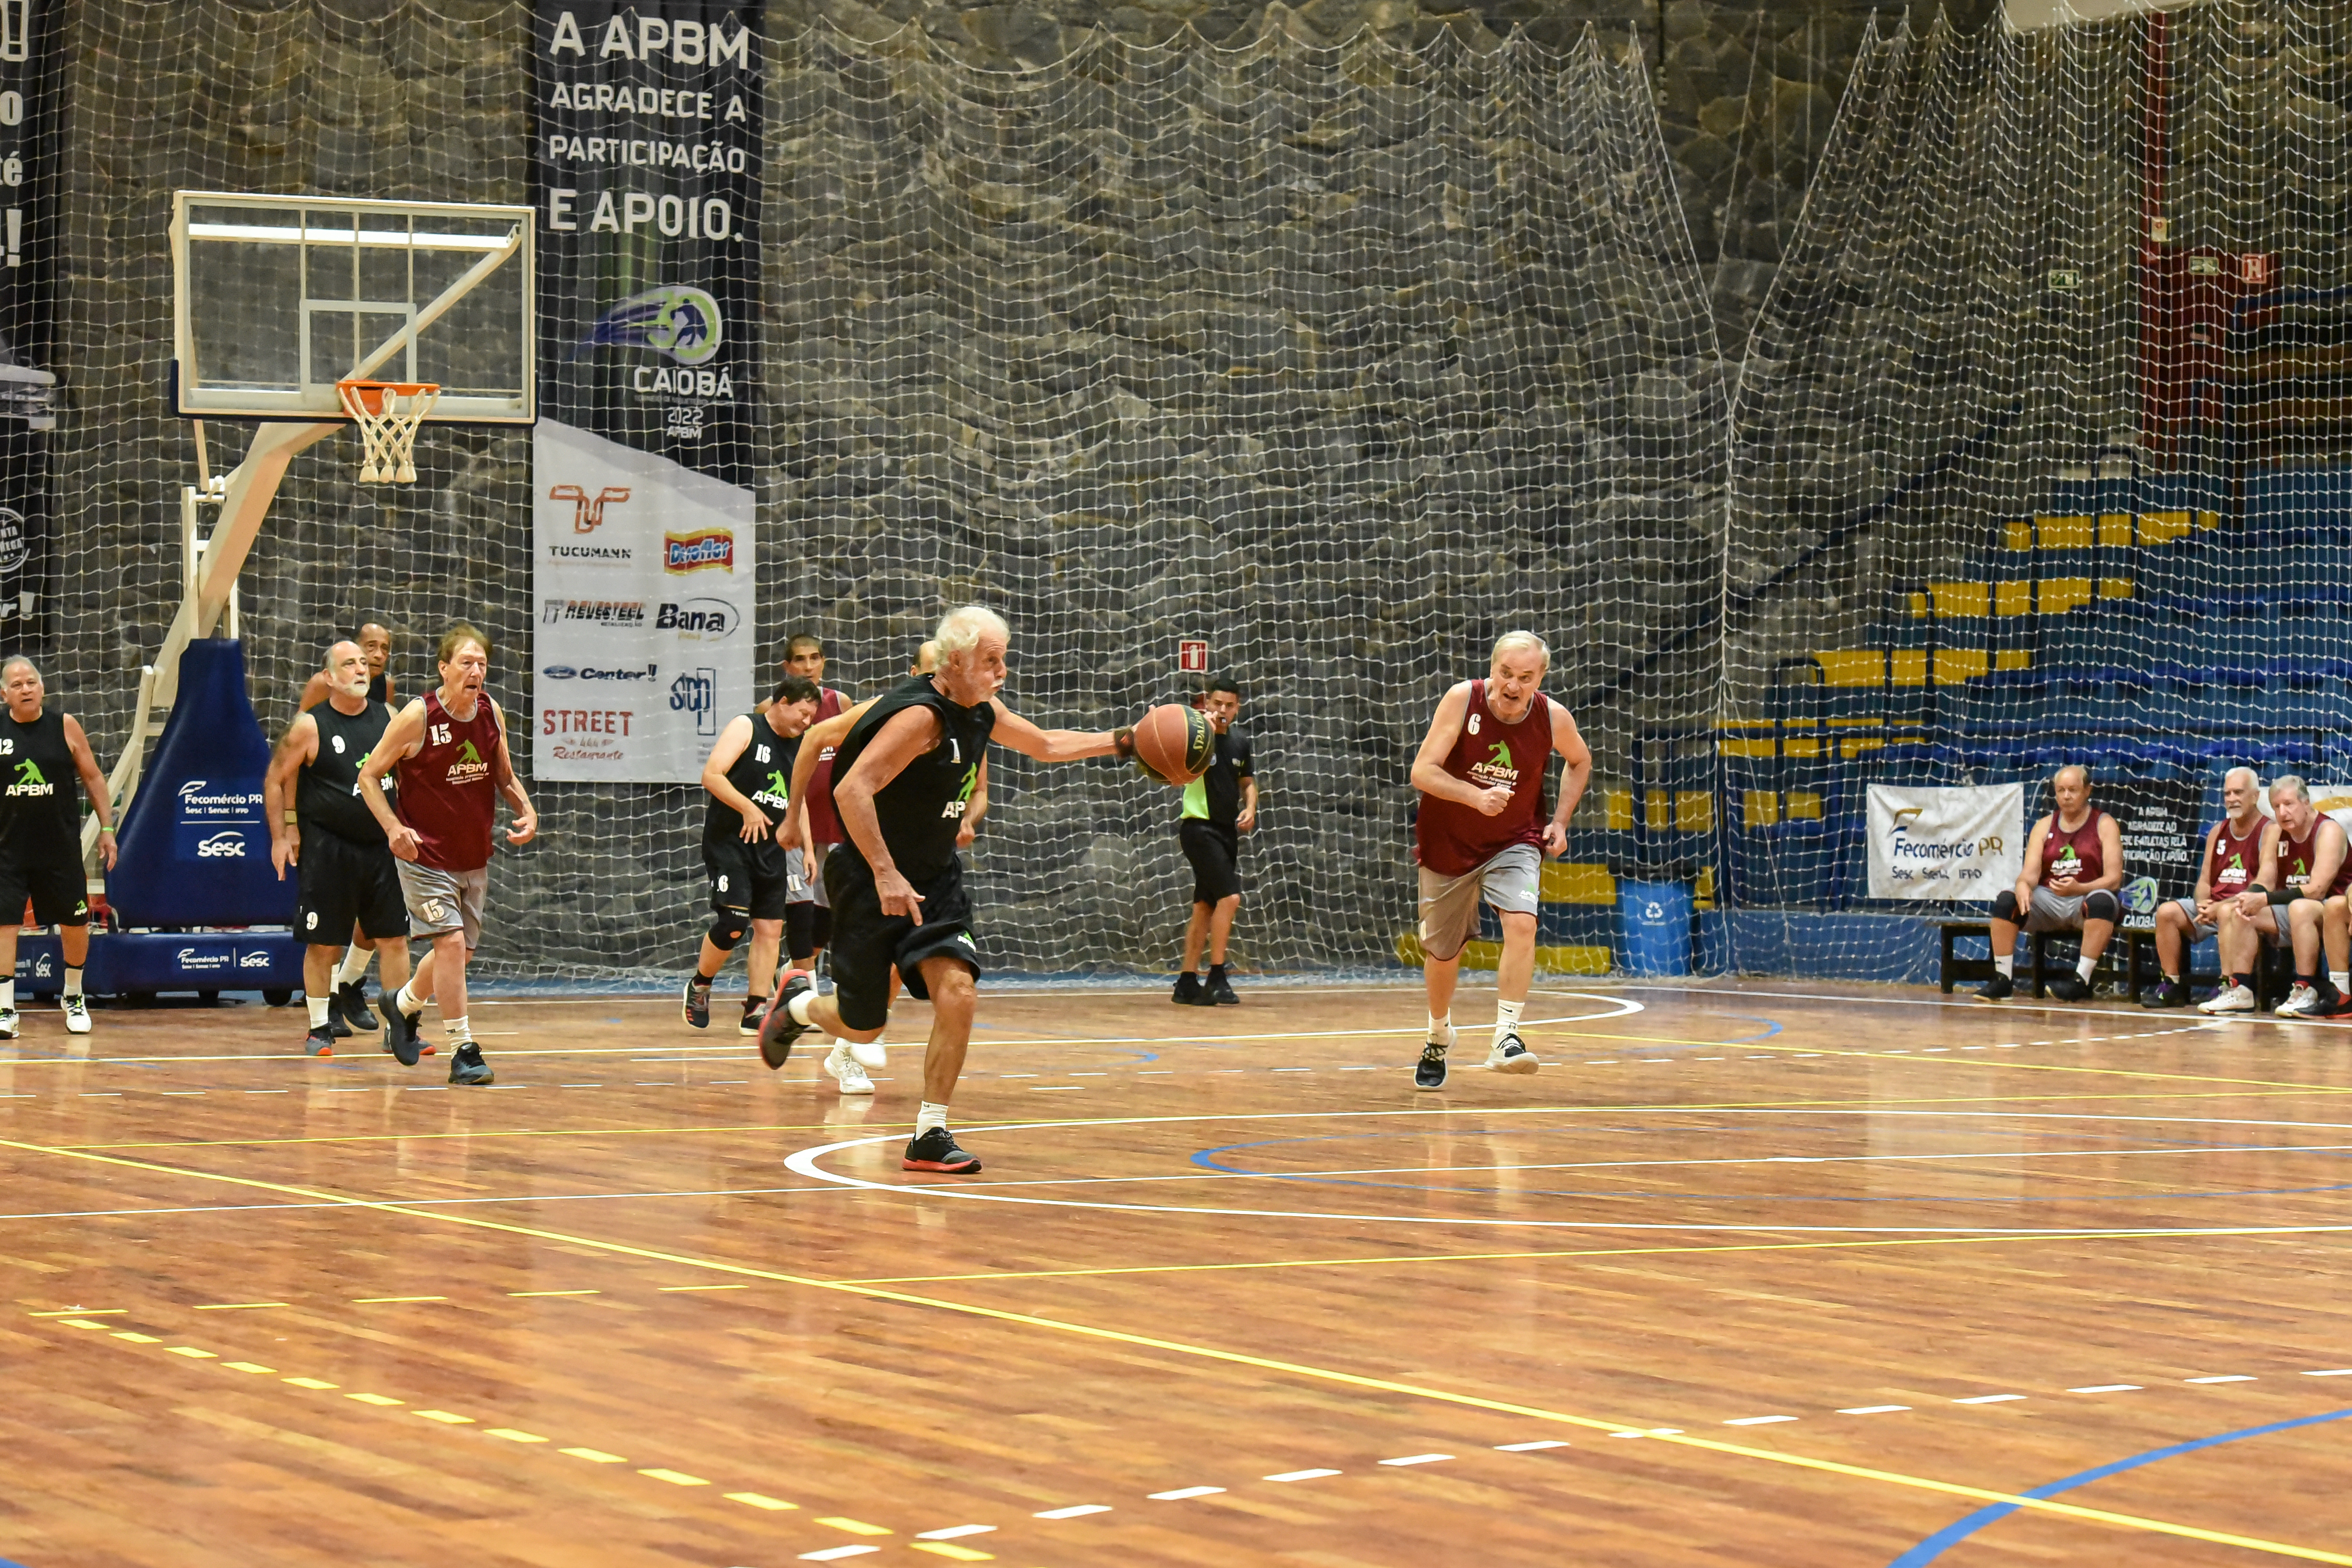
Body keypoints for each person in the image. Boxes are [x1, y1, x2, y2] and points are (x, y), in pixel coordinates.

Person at [758, 605, 1136, 1172]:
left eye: (1002, 659)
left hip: (934, 878)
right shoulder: (917, 718)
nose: (1001, 671)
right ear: (955, 661)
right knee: (863, 1025)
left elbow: (1047, 744)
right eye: (990, 660)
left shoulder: (980, 709)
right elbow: (851, 790)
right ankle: (799, 1005)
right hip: (868, 877)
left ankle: (930, 1132)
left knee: (958, 990)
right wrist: (882, 870)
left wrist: (1124, 740)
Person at [1407, 631, 1592, 1089]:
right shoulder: (1461, 700)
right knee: (1443, 954)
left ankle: (1506, 1036)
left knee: (1522, 922)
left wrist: (1561, 822)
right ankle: (1438, 1034)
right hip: (1448, 841)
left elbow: (1580, 761)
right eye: (1506, 673)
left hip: (1514, 840)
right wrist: (1475, 796)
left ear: (1541, 678)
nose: (1513, 685)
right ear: (1492, 669)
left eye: (1525, 677)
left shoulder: (1553, 717)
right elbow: (1422, 772)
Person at [357, 624, 537, 1084]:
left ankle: (402, 1005)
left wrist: (527, 808)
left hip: (472, 854)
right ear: (444, 668)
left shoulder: (490, 712)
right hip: (423, 853)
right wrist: (394, 827)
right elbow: (369, 777)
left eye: (481, 664)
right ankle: (464, 1050)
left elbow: (505, 776)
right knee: (451, 944)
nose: (475, 671)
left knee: (461, 954)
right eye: (466, 663)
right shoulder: (418, 716)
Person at [266, 640, 414, 1057]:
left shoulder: (388, 717)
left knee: (394, 939)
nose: (361, 670)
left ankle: (399, 1028)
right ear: (329, 678)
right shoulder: (309, 726)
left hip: (381, 846)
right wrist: (283, 833)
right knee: (324, 944)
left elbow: (405, 777)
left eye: (365, 665)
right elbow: (275, 780)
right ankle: (318, 1029)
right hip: (328, 848)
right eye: (350, 664)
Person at [684, 676, 819, 1040]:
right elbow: (711, 775)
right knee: (733, 921)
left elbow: (799, 801)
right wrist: (747, 807)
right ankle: (700, 985)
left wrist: (808, 848)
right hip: (730, 843)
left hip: (772, 848)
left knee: (771, 928)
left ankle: (756, 1009)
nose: (807, 722)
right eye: (803, 713)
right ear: (783, 702)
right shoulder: (747, 726)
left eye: (812, 717)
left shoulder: (802, 745)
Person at [0, 657, 115, 1039]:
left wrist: (108, 828)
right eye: (17, 685)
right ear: (5, 694)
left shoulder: (64, 726)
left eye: (31, 682)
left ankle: (73, 995)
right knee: (5, 924)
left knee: (75, 921)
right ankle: (4, 1007)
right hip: (8, 850)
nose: (26, 689)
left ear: (43, 687)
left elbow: (94, 777)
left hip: (59, 847)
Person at [298, 621, 398, 1036]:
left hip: (375, 827)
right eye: (367, 648)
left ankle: (351, 982)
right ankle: (327, 1010)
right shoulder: (322, 693)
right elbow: (296, 751)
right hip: (328, 827)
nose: (375, 656)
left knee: (381, 926)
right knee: (329, 933)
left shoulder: (386, 694)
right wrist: (291, 825)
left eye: (383, 649)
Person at [1976, 765, 2124, 1003]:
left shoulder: (2104, 823)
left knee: (2103, 900)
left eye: (2073, 790)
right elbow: (2030, 874)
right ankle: (2003, 979)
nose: (2066, 796)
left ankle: (2081, 981)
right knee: (2007, 899)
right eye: (2061, 790)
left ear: (2087, 791)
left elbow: (2115, 879)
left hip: (2085, 899)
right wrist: (2023, 884)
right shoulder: (2044, 825)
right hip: (2049, 900)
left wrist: (2080, 888)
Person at [2204, 775, 2344, 1015]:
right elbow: (2266, 880)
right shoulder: (2276, 832)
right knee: (2239, 910)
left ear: (2306, 802)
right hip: (2290, 908)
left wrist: (2265, 899)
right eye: (2277, 806)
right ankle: (2240, 990)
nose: (2283, 812)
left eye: (2289, 804)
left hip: (2331, 911)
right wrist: (2247, 898)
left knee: (2300, 907)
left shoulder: (2328, 829)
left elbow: (2318, 889)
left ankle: (2305, 988)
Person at [2141, 766, 2264, 1009]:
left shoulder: (2268, 830)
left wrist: (2219, 907)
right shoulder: (2218, 831)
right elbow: (2205, 879)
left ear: (2255, 796)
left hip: (2246, 910)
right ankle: (2171, 984)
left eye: (2238, 792)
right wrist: (2202, 903)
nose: (2232, 799)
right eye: (2227, 794)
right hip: (2214, 907)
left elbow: (2261, 886)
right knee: (2167, 913)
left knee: (2229, 912)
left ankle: (2227, 984)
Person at [1172, 677, 1255, 1006]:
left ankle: (1187, 981)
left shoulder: (1240, 742)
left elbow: (1247, 782)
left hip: (1225, 831)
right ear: (1207, 702)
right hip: (1198, 828)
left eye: (1229, 705)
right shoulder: (1194, 735)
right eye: (1217, 703)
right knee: (1230, 898)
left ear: (1237, 708)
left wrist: (1250, 807)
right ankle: (1217, 975)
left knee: (1205, 906)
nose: (1222, 710)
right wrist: (1199, 730)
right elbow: (1176, 772)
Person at [783, 633, 852, 969]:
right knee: (795, 907)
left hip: (835, 821)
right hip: (792, 824)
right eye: (800, 659)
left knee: (830, 904)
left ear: (824, 663)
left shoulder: (841, 703)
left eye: (815, 658)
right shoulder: (772, 710)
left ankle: (796, 976)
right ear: (787, 666)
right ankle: (795, 982)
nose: (808, 666)